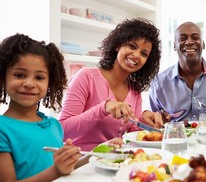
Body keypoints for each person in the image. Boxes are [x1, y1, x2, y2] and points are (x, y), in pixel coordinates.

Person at [0, 33, 82, 182]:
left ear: (49, 83)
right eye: (20, 75)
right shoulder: (2, 129)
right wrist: (56, 171)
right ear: (3, 78)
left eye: (39, 77)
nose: (30, 83)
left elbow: (67, 168)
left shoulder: (53, 125)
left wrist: (102, 152)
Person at [58, 18, 164, 151]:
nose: (136, 55)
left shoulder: (134, 89)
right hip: (81, 162)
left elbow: (132, 131)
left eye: (144, 53)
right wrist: (103, 108)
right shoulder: (86, 77)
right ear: (118, 45)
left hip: (112, 162)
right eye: (132, 46)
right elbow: (62, 131)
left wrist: (145, 118)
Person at [149, 21, 206, 122]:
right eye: (183, 38)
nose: (189, 42)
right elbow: (153, 126)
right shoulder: (159, 83)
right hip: (175, 137)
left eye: (195, 38)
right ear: (174, 45)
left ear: (203, 44)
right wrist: (159, 120)